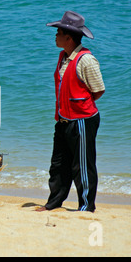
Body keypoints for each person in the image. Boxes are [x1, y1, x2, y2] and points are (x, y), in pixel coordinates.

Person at [37, 11, 105, 212]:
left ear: (69, 37)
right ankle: (53, 203)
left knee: (82, 166)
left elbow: (98, 90)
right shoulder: (62, 57)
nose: (55, 36)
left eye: (58, 32)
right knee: (58, 165)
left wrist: (79, 105)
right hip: (63, 120)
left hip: (83, 120)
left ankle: (86, 207)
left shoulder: (86, 60)